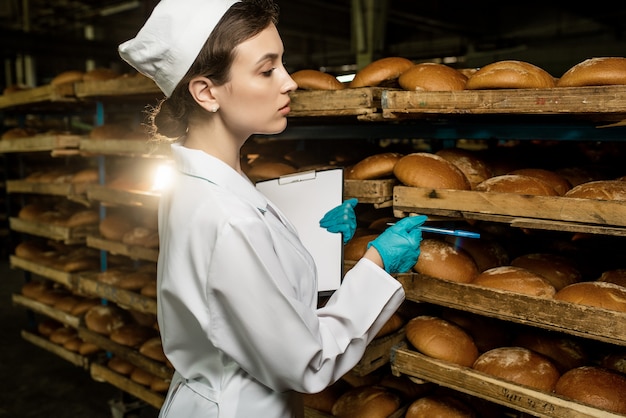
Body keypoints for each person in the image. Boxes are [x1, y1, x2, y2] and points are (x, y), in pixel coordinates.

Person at [118, 1, 427, 417]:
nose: (289, 83)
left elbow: (230, 289)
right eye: (267, 70)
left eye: (282, 64)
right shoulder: (228, 218)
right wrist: (376, 264)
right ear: (207, 92)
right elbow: (308, 363)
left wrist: (308, 238)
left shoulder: (197, 178)